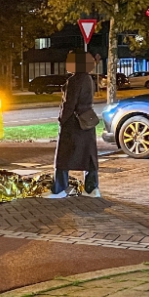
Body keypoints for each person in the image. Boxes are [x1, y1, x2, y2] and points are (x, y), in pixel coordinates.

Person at [45, 50, 100, 199]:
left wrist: (62, 119)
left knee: (63, 157)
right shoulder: (89, 79)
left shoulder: (74, 80)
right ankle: (92, 188)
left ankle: (59, 189)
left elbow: (69, 103)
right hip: (86, 121)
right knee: (88, 156)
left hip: (73, 123)